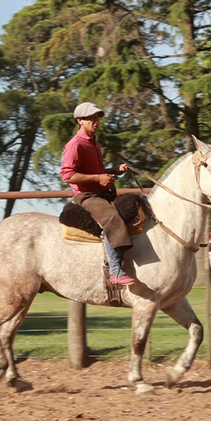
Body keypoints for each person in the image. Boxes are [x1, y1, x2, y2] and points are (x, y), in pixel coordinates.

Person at [60, 102, 135, 286]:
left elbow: (96, 171)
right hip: (86, 196)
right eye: (91, 118)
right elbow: (67, 175)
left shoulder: (94, 143)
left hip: (99, 192)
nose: (96, 121)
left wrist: (114, 170)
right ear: (80, 120)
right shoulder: (75, 145)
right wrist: (98, 179)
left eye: (98, 118)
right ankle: (115, 271)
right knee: (112, 218)